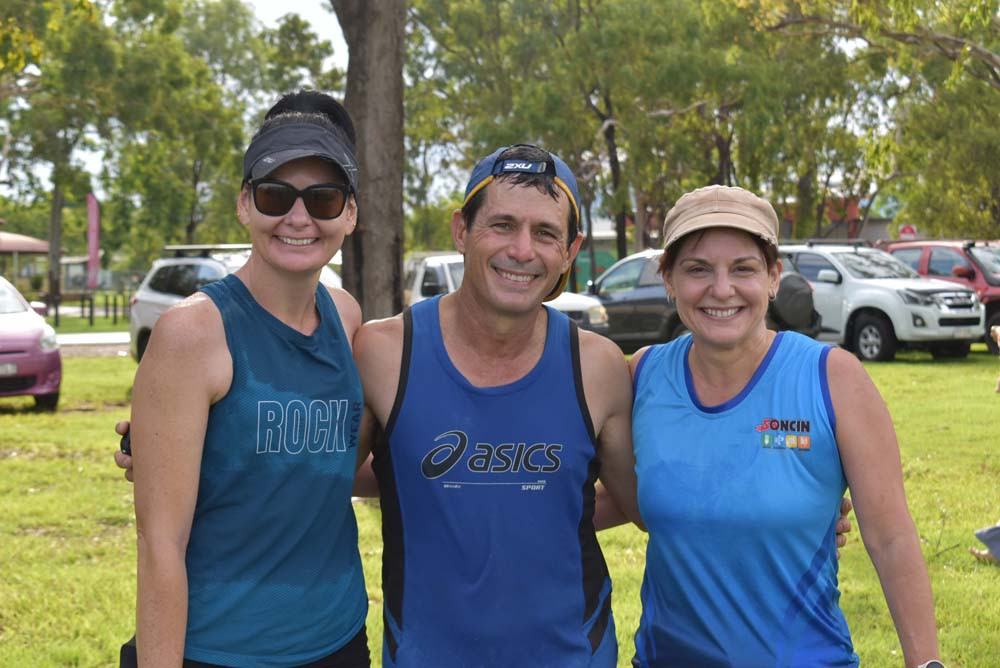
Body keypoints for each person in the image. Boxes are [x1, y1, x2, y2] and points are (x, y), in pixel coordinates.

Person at [352, 143, 642, 666]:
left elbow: (645, 501)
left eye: (546, 233)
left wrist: (798, 508)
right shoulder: (384, 353)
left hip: (572, 655)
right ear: (461, 230)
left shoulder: (597, 367)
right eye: (503, 225)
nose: (523, 250)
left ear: (571, 251)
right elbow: (311, 484)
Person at [628, 184, 943, 668]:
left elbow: (891, 536)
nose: (721, 288)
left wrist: (926, 664)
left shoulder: (833, 378)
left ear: (774, 276)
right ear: (668, 278)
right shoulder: (640, 376)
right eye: (697, 269)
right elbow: (598, 496)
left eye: (743, 268)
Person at [121, 90, 370, 668]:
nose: (298, 217)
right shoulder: (193, 334)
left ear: (351, 213)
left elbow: (335, 469)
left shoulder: (347, 317)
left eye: (324, 198)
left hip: (338, 641)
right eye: (276, 194)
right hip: (218, 650)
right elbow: (161, 546)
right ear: (245, 204)